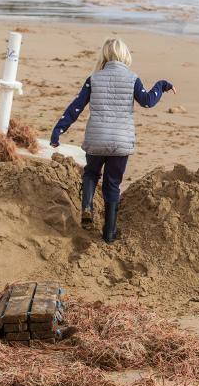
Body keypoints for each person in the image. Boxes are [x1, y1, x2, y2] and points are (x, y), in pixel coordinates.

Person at [50, 38, 175, 243]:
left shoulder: (94, 78)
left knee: (91, 173)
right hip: (120, 141)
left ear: (105, 56)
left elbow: (76, 107)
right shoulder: (132, 78)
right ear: (125, 55)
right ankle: (109, 233)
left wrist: (58, 131)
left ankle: (88, 206)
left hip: (96, 139)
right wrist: (162, 85)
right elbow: (148, 102)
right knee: (113, 184)